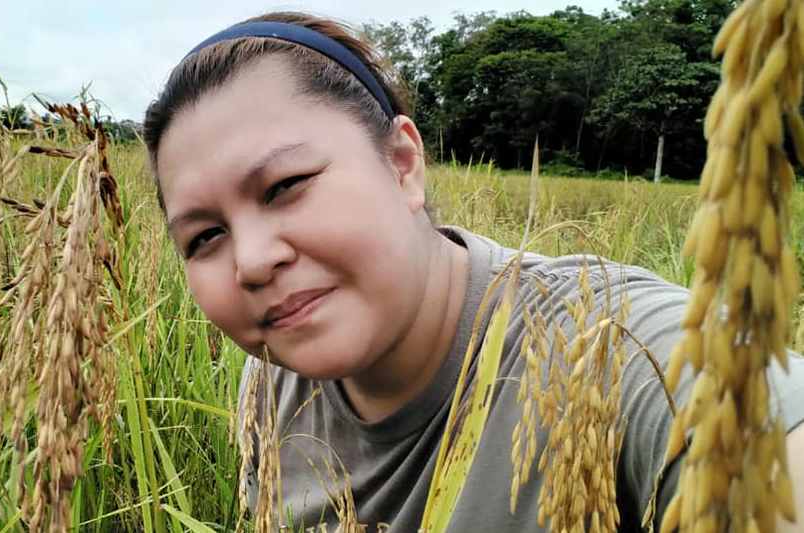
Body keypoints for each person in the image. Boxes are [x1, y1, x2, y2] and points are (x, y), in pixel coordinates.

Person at [141, 11, 804, 533]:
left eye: (286, 184)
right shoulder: (270, 388)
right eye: (205, 237)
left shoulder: (618, 346)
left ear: (403, 164)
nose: (252, 260)